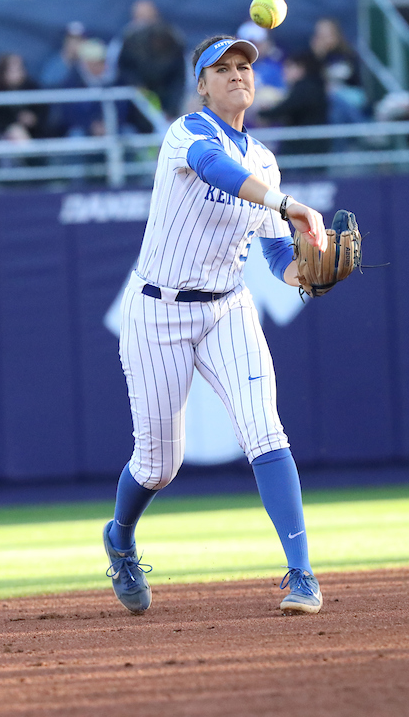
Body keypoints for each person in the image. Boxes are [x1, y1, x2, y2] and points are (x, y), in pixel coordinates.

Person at [102, 35, 331, 617]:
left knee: (265, 430)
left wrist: (306, 273)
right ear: (201, 84)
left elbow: (278, 260)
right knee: (158, 464)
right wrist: (289, 205)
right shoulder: (187, 134)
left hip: (228, 306)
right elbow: (214, 169)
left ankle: (302, 574)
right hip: (159, 310)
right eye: (221, 69)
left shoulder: (265, 161)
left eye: (244, 68)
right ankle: (121, 538)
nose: (236, 75)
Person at [114, 0, 187, 117]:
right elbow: (119, 70)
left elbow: (180, 74)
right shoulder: (124, 39)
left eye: (148, 17)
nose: (145, 22)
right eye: (140, 17)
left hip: (167, 94)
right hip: (134, 99)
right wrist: (136, 85)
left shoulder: (171, 37)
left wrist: (173, 107)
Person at [258, 50, 329, 156]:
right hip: (307, 146)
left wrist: (262, 113)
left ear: (301, 69)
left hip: (307, 149)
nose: (285, 71)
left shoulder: (305, 88)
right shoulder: (309, 87)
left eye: (289, 67)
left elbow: (285, 108)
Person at [0, 54, 45, 139]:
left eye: (20, 68)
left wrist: (34, 119)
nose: (18, 73)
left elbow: (43, 113)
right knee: (16, 132)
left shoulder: (32, 88)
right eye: (13, 70)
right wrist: (16, 120)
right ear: (3, 72)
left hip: (33, 134)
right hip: (1, 136)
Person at [39, 21, 87, 89]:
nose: (75, 44)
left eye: (79, 40)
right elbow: (47, 82)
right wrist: (67, 60)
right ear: (65, 41)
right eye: (71, 39)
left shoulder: (89, 61)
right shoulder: (56, 61)